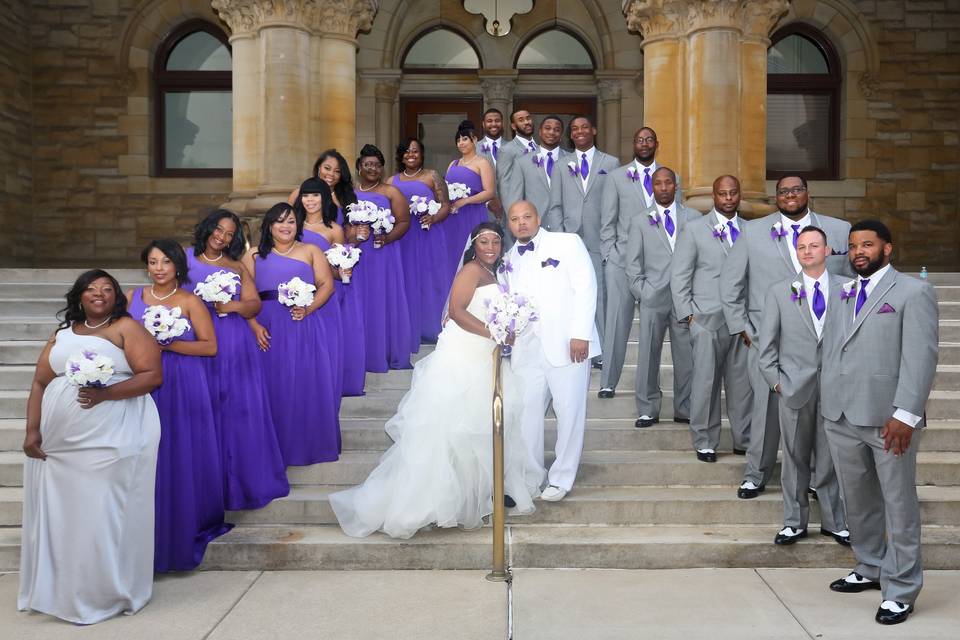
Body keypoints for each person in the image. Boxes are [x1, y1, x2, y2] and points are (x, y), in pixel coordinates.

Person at [329, 222, 540, 538]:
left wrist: (504, 331)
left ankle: (477, 493)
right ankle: (432, 501)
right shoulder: (471, 270)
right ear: (474, 245)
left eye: (496, 241)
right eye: (484, 241)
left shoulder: (496, 273)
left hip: (486, 352)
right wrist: (493, 332)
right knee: (452, 427)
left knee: (480, 425)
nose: (491, 246)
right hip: (463, 354)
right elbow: (455, 311)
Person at [18, 270, 162, 625]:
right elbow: (39, 382)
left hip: (113, 436)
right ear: (79, 296)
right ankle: (64, 590)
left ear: (116, 296)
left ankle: (107, 591)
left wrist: (105, 394)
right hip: (60, 445)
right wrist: (32, 430)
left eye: (107, 289)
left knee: (102, 513)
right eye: (90, 289)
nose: (99, 294)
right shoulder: (62, 334)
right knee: (66, 517)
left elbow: (152, 376)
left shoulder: (126, 328)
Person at [821, 220, 938, 626]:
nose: (858, 252)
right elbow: (837, 348)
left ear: (887, 249)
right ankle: (869, 566)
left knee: (898, 502)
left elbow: (920, 357)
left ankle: (902, 588)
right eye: (853, 245)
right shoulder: (843, 291)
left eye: (867, 244)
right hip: (841, 414)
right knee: (858, 499)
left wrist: (906, 414)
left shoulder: (913, 292)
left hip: (889, 419)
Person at [720, 175, 852, 499]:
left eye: (796, 189)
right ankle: (756, 473)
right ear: (775, 197)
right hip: (767, 341)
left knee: (818, 414)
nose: (789, 195)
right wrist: (745, 330)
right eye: (783, 191)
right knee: (764, 412)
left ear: (808, 192)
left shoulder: (839, 230)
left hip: (820, 342)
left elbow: (849, 286)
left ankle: (815, 479)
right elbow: (730, 285)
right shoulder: (752, 232)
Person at [127, 239, 232, 572]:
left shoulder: (190, 301)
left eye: (165, 262)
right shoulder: (133, 298)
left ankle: (185, 516)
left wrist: (169, 345)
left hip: (182, 381)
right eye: (153, 262)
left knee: (179, 447)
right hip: (142, 381)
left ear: (177, 266)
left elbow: (210, 346)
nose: (159, 269)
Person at [186, 209, 290, 511]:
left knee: (232, 406)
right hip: (191, 339)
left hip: (230, 340)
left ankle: (236, 480)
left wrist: (230, 305)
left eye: (230, 234)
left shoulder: (236, 266)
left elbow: (254, 304)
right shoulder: (183, 258)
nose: (222, 237)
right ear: (208, 228)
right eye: (218, 229)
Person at [504, 201, 600, 502]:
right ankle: (532, 476)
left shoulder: (567, 243)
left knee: (569, 411)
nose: (521, 223)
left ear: (538, 218)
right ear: (509, 224)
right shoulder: (508, 259)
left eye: (527, 217)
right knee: (527, 415)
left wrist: (580, 334)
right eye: (515, 219)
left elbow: (586, 287)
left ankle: (561, 478)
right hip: (526, 350)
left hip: (567, 345)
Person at [757, 226, 848, 546]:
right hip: (794, 387)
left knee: (831, 456)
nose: (807, 251)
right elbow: (765, 346)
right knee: (794, 456)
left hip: (835, 387)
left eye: (814, 245)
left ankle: (834, 521)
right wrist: (778, 383)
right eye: (801, 246)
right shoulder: (780, 291)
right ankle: (794, 521)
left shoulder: (848, 289)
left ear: (827, 250)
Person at [242, 203, 341, 465]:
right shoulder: (253, 256)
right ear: (269, 226)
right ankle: (271, 447)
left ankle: (305, 445)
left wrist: (308, 309)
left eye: (291, 222)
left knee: (303, 381)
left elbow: (326, 285)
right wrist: (253, 325)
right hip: (267, 326)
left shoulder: (311, 250)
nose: (285, 226)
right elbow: (244, 296)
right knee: (273, 384)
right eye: (279, 221)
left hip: (302, 324)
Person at [671, 176, 752, 461]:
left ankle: (744, 439)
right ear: (715, 196)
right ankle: (704, 439)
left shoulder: (751, 229)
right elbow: (679, 275)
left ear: (739, 195)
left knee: (742, 385)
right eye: (722, 193)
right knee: (705, 383)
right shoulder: (694, 230)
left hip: (742, 321)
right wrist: (690, 317)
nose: (728, 198)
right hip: (706, 319)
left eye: (733, 193)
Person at [623, 167, 697, 429]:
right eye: (658, 183)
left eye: (669, 183)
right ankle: (647, 408)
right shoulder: (640, 220)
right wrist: (644, 292)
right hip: (653, 297)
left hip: (684, 298)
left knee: (686, 356)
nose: (664, 187)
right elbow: (632, 264)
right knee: (648, 355)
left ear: (676, 186)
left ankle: (685, 408)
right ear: (652, 187)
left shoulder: (694, 217)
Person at [543, 115, 618, 369]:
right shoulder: (562, 165)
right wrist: (561, 238)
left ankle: (604, 353)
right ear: (571, 135)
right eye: (574, 129)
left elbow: (614, 203)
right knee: (572, 296)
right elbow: (555, 205)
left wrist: (612, 240)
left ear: (593, 130)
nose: (580, 132)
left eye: (584, 127)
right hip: (570, 241)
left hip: (600, 240)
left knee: (600, 297)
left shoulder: (611, 162)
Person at [599, 127, 666, 397]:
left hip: (658, 265)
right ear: (634, 145)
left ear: (656, 143)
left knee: (651, 329)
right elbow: (608, 221)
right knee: (616, 320)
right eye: (640, 140)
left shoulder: (670, 177)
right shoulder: (616, 177)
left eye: (649, 139)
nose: (645, 143)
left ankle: (648, 388)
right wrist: (609, 255)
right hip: (622, 259)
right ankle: (607, 381)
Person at [350, 144, 415, 370]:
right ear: (359, 167)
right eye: (368, 164)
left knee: (380, 299)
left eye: (377, 165)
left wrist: (387, 239)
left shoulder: (391, 192)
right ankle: (358, 352)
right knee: (357, 300)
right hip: (355, 254)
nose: (372, 169)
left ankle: (383, 350)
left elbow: (404, 222)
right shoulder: (348, 193)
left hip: (381, 254)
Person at [387, 137, 454, 344]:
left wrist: (434, 218)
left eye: (415, 151)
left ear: (421, 154)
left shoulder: (431, 176)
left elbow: (446, 205)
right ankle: (407, 330)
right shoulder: (391, 181)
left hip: (428, 235)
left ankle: (433, 327)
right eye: (406, 151)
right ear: (400, 155)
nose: (411, 155)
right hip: (404, 238)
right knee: (406, 281)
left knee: (429, 280)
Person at [313, 149, 366, 395]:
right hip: (304, 268)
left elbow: (349, 237)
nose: (331, 174)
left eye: (336, 170)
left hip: (336, 267)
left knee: (339, 324)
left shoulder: (346, 198)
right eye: (327, 168)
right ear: (317, 168)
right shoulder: (302, 193)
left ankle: (339, 375)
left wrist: (356, 237)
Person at [294, 178, 346, 400]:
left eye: (315, 195)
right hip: (291, 298)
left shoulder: (334, 229)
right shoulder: (290, 225)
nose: (310, 200)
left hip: (323, 298)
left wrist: (343, 271)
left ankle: (322, 396)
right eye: (306, 195)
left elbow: (338, 271)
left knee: (322, 351)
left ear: (325, 198)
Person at [443, 120, 497, 278]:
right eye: (458, 140)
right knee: (452, 254)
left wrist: (465, 201)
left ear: (474, 140)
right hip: (452, 217)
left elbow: (489, 192)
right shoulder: (453, 163)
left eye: (465, 139)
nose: (461, 143)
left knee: (471, 253)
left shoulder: (482, 163)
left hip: (472, 214)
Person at [497, 112, 567, 227]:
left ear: (561, 134)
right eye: (547, 128)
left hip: (565, 225)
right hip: (533, 224)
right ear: (540, 132)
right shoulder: (521, 161)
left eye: (557, 129)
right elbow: (512, 194)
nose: (551, 132)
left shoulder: (571, 161)